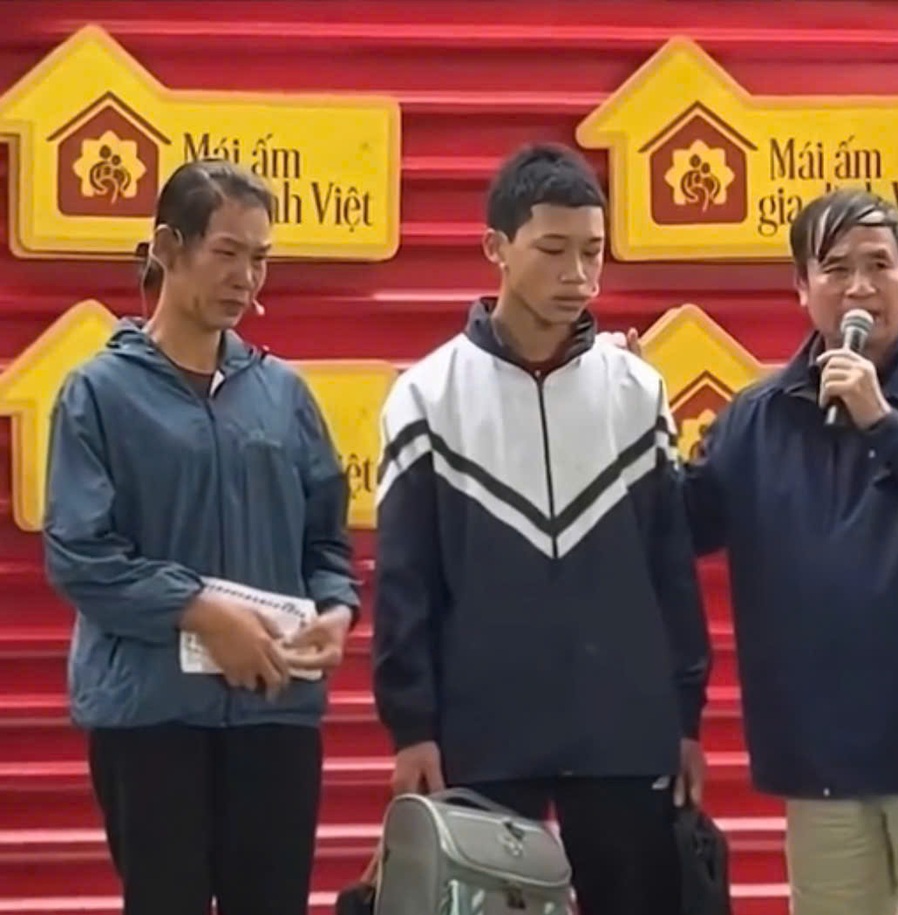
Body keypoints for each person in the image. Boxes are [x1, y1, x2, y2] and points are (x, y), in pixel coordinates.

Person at [620, 187, 898, 915]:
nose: (860, 286)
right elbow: (681, 528)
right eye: (836, 268)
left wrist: (885, 424)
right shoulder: (757, 419)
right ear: (802, 288)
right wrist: (631, 422)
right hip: (820, 754)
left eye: (879, 265)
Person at [371, 143, 711, 915]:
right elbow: (403, 582)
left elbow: (670, 569)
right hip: (482, 736)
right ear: (496, 247)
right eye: (553, 250)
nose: (578, 275)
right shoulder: (426, 396)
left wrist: (685, 718)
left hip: (625, 731)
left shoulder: (637, 389)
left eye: (592, 251)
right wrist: (411, 727)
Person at [42, 159, 359, 915]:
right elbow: (81, 554)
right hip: (151, 717)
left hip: (274, 714)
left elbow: (326, 542)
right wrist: (201, 612)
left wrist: (337, 611)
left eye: (260, 258)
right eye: (226, 253)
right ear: (167, 247)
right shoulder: (98, 394)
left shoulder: (284, 395)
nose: (245, 278)